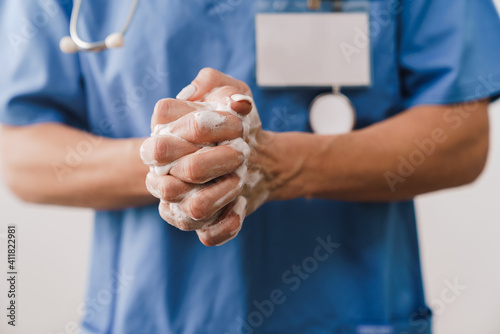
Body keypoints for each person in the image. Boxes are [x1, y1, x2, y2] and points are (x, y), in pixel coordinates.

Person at [1, 0, 500, 333]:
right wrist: (180, 162)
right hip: (147, 315)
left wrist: (285, 165)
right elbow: (22, 156)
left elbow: (462, 134)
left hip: (349, 311)